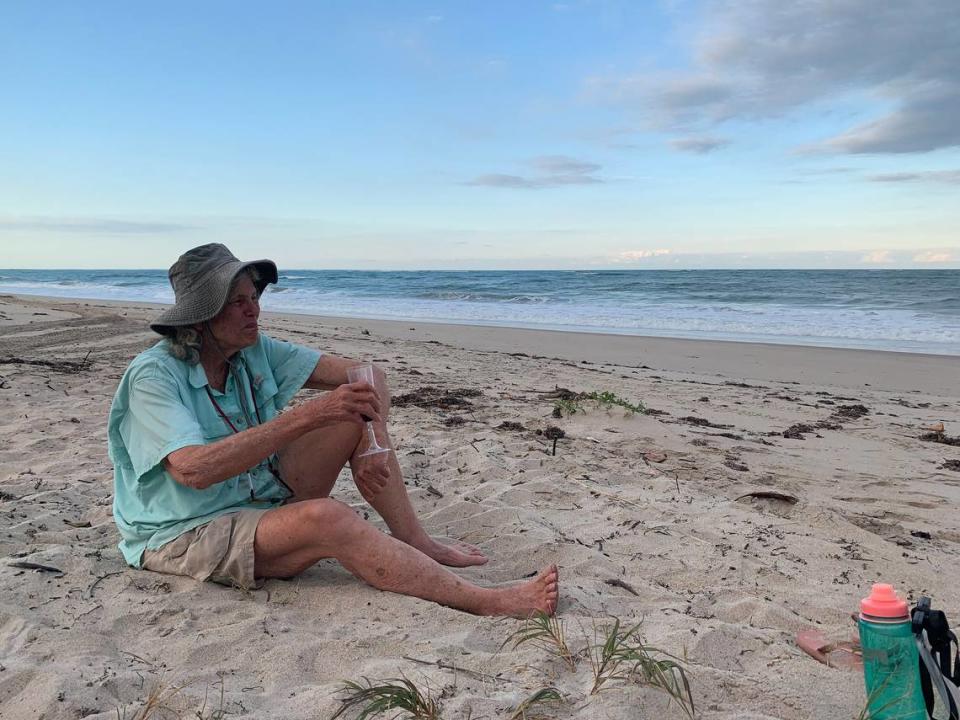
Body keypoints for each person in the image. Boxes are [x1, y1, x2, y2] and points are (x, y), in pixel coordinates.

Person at [107, 243, 558, 617]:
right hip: (184, 530)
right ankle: (486, 602)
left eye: (254, 298)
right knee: (330, 516)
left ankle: (416, 541)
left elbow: (367, 372)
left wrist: (374, 441)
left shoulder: (250, 350)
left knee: (350, 412)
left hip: (257, 497)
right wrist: (305, 416)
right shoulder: (154, 377)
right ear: (200, 317)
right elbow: (193, 471)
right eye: (237, 303)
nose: (254, 312)